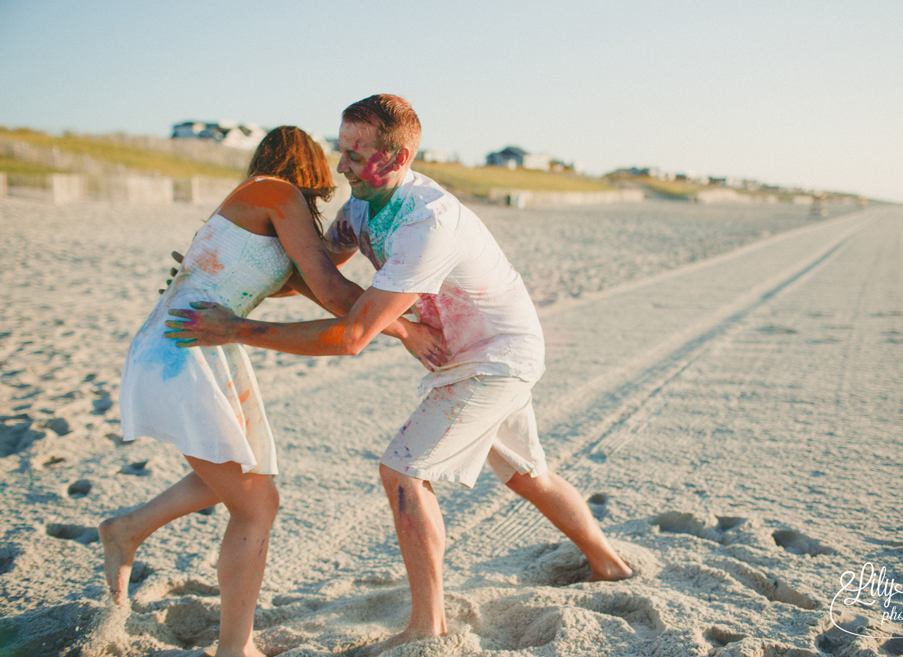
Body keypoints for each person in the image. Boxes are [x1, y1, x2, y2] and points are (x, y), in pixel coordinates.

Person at [166, 96, 632, 653]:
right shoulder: (362, 207)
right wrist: (217, 270)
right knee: (530, 475)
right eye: (341, 150)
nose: (342, 167)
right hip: (464, 358)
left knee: (403, 472)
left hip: (496, 359)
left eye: (356, 155)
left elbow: (352, 336)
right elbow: (314, 274)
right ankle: (609, 565)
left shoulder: (425, 222)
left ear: (397, 156)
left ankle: (427, 628)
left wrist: (236, 328)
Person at [100, 126, 444, 657]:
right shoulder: (276, 194)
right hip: (186, 344)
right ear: (308, 169)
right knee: (256, 504)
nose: (338, 173)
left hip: (203, 341)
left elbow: (323, 289)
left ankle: (127, 530)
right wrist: (407, 327)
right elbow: (332, 289)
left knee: (246, 479)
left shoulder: (264, 208)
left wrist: (398, 326)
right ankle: (235, 648)